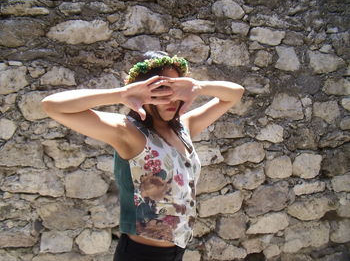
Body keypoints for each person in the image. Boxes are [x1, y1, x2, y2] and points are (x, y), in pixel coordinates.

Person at [41, 51, 245, 261]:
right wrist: (121, 94)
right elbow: (52, 105)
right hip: (143, 254)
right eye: (160, 90)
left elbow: (235, 93)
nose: (171, 97)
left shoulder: (184, 127)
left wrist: (199, 87)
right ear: (142, 91)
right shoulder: (129, 132)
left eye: (176, 88)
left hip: (177, 250)